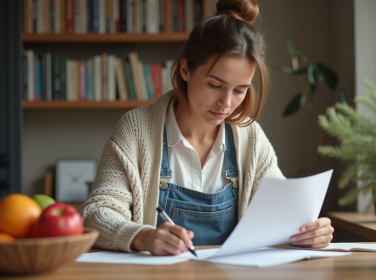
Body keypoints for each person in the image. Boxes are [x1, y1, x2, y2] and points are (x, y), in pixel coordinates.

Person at [81, 0, 334, 256]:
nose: (226, 103)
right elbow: (97, 213)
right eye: (215, 85)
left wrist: (307, 232)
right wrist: (144, 236)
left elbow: (282, 215)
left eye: (240, 91)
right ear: (185, 70)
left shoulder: (251, 138)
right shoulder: (135, 130)